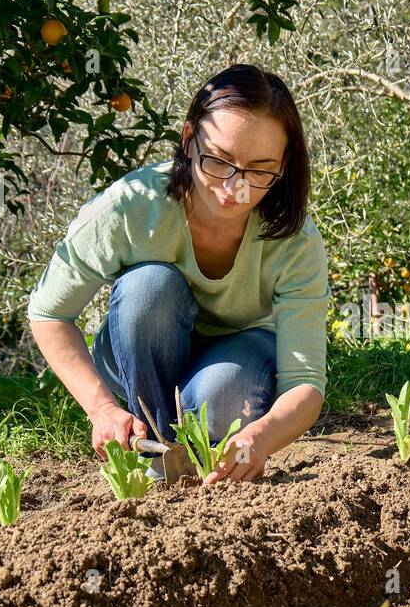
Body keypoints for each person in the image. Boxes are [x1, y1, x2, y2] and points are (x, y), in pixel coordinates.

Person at [27, 63, 329, 483]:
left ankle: (191, 450)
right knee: (147, 289)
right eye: (219, 160)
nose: (233, 188)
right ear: (189, 140)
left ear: (285, 163)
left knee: (219, 399)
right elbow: (49, 313)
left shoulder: (295, 242)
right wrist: (101, 409)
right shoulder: (130, 207)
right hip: (142, 353)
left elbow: (305, 384)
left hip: (238, 358)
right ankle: (157, 450)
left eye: (260, 169)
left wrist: (259, 437)